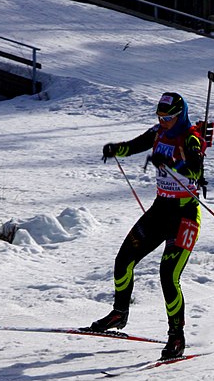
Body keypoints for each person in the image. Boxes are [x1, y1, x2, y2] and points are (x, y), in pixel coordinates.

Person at [85, 92, 205, 360]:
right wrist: (117, 148)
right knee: (123, 259)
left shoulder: (190, 138)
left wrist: (173, 163)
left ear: (180, 114)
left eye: (169, 117)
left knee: (168, 275)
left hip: (185, 215)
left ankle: (176, 338)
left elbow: (196, 170)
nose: (164, 121)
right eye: (160, 117)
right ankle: (119, 313)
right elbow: (137, 144)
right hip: (161, 210)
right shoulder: (159, 131)